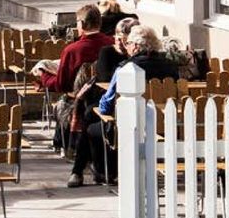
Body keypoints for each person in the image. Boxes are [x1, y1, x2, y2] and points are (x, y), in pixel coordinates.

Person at [67, 25, 179, 187]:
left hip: (129, 128)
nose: (127, 47)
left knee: (91, 125)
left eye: (129, 43)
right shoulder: (171, 67)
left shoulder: (125, 68)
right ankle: (91, 172)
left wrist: (99, 106)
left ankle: (98, 172)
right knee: (92, 115)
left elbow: (106, 106)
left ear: (136, 46)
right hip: (164, 127)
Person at [37, 4, 113, 95]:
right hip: (109, 94)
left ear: (81, 23)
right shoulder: (113, 43)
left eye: (77, 22)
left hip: (80, 98)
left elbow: (61, 85)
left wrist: (44, 75)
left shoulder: (72, 50)